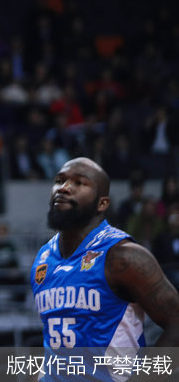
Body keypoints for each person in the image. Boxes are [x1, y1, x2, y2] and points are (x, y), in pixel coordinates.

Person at [31, 157, 179, 381]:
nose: (64, 188)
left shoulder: (124, 256)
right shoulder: (43, 259)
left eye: (79, 183)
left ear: (102, 204)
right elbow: (56, 346)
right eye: (59, 180)